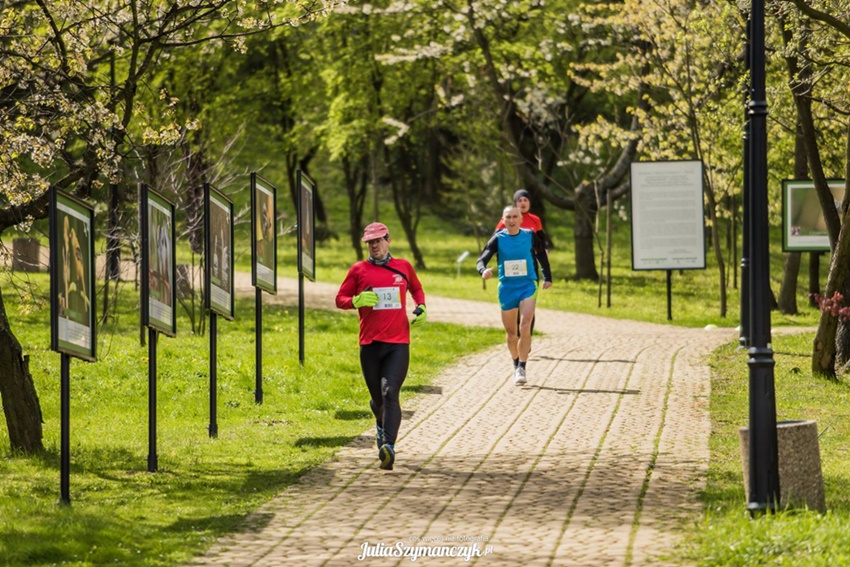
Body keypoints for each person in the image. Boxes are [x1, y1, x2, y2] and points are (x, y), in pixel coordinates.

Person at [336, 222, 427, 471]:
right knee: (378, 400)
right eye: (370, 242)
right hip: (370, 344)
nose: (374, 246)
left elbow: (417, 288)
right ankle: (380, 423)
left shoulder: (403, 267)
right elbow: (339, 299)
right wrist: (355, 300)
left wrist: (421, 307)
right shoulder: (358, 270)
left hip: (398, 343)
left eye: (378, 241)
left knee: (390, 393)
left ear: (388, 240)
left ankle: (388, 446)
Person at [478, 206, 552, 386]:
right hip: (507, 287)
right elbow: (482, 259)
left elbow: (541, 255)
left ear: (520, 219)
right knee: (511, 334)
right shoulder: (498, 238)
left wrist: (547, 276)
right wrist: (483, 271)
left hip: (528, 284)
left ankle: (522, 367)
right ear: (503, 220)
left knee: (525, 324)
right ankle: (515, 362)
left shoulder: (529, 235)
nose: (511, 220)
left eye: (515, 217)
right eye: (508, 217)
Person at [493, 188, 549, 339]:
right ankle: (516, 335)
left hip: (530, 268)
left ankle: (526, 337)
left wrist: (545, 250)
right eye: (519, 200)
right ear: (515, 203)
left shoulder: (535, 220)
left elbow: (542, 239)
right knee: (514, 306)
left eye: (525, 200)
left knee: (528, 306)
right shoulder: (508, 218)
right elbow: (495, 239)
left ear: (530, 202)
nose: (523, 203)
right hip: (509, 269)